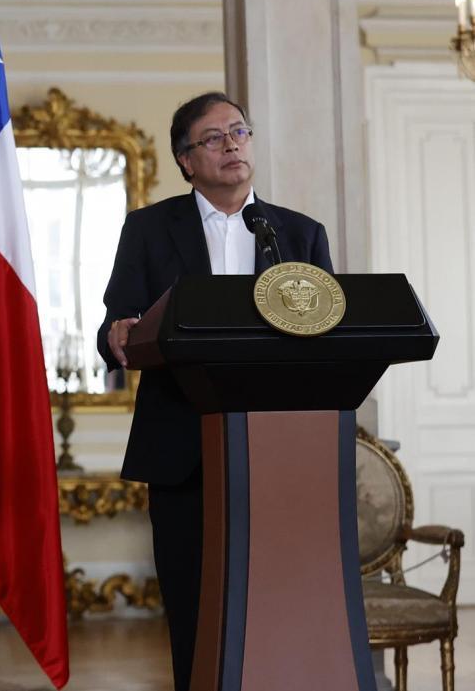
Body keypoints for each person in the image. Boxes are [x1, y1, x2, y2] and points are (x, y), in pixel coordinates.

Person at [96, 92, 332, 691]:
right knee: (193, 604)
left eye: (240, 132)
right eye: (214, 137)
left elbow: (328, 338)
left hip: (277, 451)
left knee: (279, 604)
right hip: (181, 447)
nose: (232, 145)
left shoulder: (300, 235)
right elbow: (118, 323)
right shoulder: (148, 230)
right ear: (186, 160)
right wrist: (118, 333)